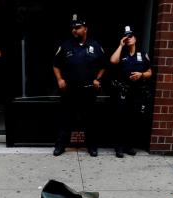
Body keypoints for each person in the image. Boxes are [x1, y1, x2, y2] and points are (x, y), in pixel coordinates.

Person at [52, 14, 106, 157]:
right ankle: (60, 146)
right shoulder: (65, 45)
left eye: (78, 28)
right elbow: (56, 65)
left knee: (90, 120)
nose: (74, 30)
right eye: (73, 28)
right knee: (65, 119)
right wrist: (60, 80)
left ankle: (92, 147)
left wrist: (98, 79)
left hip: (88, 91)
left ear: (85, 29)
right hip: (69, 90)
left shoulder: (95, 45)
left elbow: (103, 66)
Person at [109, 26, 152, 158]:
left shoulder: (143, 54)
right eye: (126, 37)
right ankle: (119, 147)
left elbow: (150, 72)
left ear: (135, 38)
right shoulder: (121, 53)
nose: (129, 39)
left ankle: (129, 146)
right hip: (123, 92)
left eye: (131, 36)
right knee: (121, 119)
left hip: (137, 92)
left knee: (133, 120)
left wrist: (141, 75)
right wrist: (120, 45)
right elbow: (112, 61)